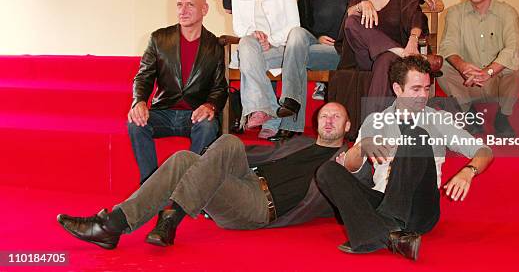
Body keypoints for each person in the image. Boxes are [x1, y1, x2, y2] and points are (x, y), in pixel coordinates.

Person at [57, 102, 355, 250]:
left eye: (336, 117)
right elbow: (258, 155)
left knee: (195, 158)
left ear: (347, 126)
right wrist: (215, 162)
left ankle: (148, 219)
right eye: (324, 115)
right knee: (201, 152)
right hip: (246, 179)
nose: (328, 120)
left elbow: (352, 194)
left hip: (258, 207)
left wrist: (353, 163)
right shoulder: (300, 143)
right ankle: (120, 224)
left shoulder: (347, 162)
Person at [316, 56, 493, 260]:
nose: (423, 96)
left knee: (415, 135)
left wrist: (468, 171)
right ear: (397, 89)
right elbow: (350, 166)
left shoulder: (438, 119)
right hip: (381, 200)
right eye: (416, 89)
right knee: (327, 171)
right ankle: (391, 235)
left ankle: (375, 230)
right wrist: (363, 147)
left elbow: (484, 151)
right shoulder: (376, 120)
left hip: (420, 207)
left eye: (427, 88)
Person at [128, 0, 227, 184]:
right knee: (135, 123)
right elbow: (144, 77)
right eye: (179, 5)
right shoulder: (159, 38)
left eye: (190, 4)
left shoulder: (215, 45)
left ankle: (188, 187)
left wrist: (210, 106)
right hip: (163, 111)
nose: (183, 10)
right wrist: (138, 101)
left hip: (194, 115)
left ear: (204, 9)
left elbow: (219, 88)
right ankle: (150, 185)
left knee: (208, 127)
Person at [437, 0, 519, 137]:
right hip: (468, 81)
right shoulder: (454, 13)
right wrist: (462, 66)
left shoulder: (507, 12)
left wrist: (489, 71)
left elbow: (514, 48)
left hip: (496, 81)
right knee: (441, 67)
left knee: (518, 67)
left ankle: (503, 116)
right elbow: (448, 46)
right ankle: (469, 113)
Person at [230, 0, 306, 141]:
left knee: (249, 60)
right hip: (253, 47)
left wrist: (270, 40)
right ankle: (269, 111)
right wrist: (255, 35)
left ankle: (264, 112)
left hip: (280, 48)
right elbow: (239, 27)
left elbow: (293, 24)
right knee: (246, 44)